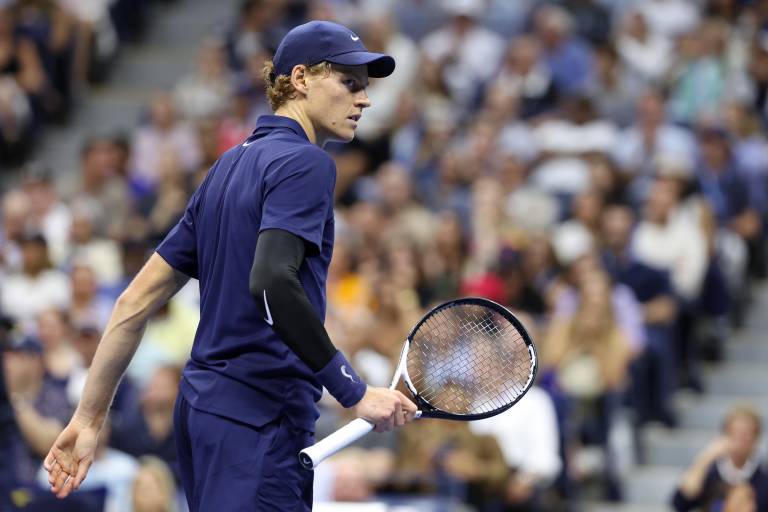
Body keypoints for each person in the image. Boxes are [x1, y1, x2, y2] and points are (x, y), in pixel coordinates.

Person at [43, 20, 417, 512]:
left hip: (203, 415)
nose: (364, 99)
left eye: (364, 87)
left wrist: (88, 419)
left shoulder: (223, 169)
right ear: (300, 79)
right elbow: (273, 282)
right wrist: (353, 391)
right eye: (349, 83)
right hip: (258, 419)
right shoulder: (307, 163)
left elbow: (134, 301)